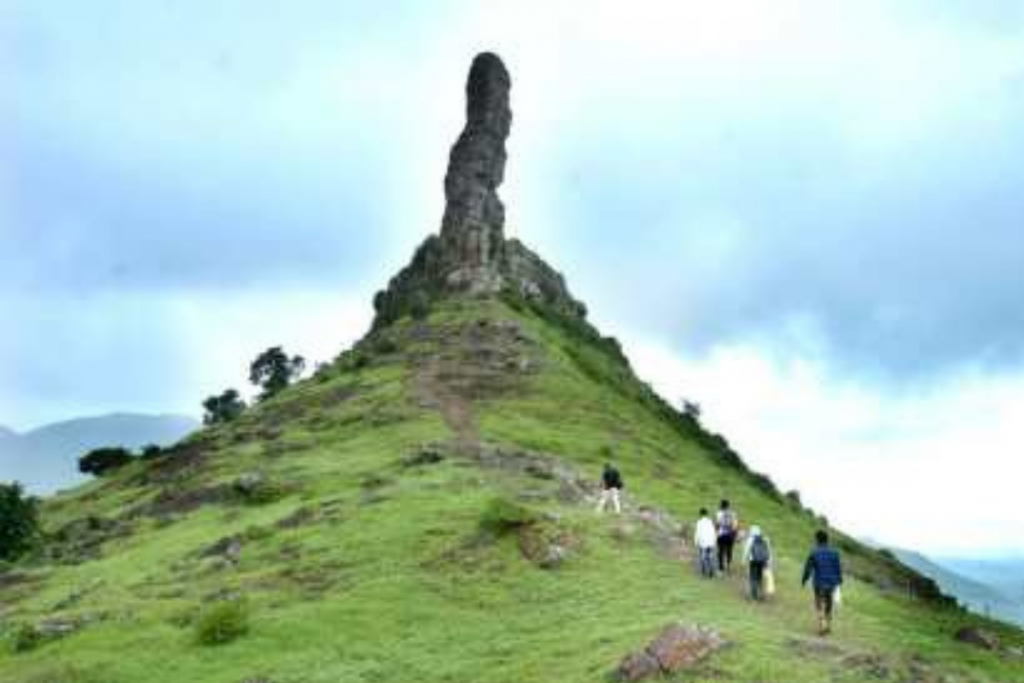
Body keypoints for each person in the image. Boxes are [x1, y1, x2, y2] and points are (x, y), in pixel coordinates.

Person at [802, 530, 844, 635]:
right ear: (827, 540)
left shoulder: (814, 552)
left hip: (819, 583)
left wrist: (804, 579)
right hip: (831, 583)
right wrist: (839, 580)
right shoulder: (835, 552)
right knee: (829, 603)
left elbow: (808, 568)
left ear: (817, 540)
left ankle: (822, 625)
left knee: (819, 603)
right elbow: (838, 568)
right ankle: (828, 625)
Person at [743, 525, 772, 601]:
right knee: (759, 577)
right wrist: (769, 561)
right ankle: (760, 594)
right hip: (763, 561)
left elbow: (746, 551)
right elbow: (769, 551)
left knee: (753, 577)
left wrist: (744, 560)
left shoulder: (750, 539)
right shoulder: (765, 539)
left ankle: (754, 594)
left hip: (753, 561)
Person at [715, 499, 739, 574]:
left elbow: (717, 525)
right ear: (728, 506)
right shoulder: (733, 513)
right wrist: (735, 535)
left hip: (721, 535)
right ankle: (729, 566)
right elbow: (735, 526)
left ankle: (721, 568)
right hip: (730, 535)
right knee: (729, 551)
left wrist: (716, 531)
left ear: (721, 506)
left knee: (721, 551)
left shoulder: (718, 514)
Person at [694, 508, 717, 578]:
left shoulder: (699, 522)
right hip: (711, 541)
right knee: (711, 556)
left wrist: (696, 541)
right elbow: (713, 531)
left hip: (703, 542)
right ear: (707, 514)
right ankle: (711, 571)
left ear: (700, 514)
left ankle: (704, 571)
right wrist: (714, 541)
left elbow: (697, 533)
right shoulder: (710, 522)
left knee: (703, 557)